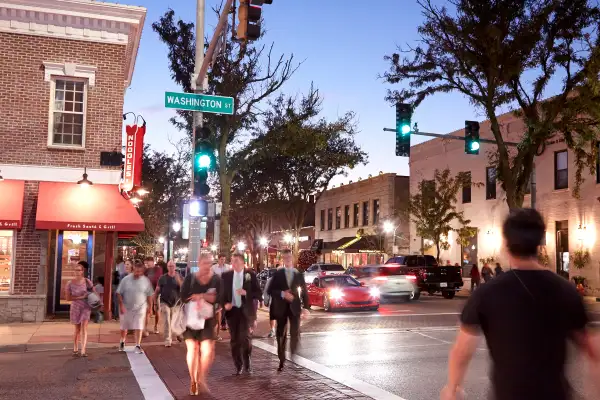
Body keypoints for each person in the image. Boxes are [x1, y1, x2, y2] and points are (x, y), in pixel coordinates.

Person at [441, 208, 600, 400]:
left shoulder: (488, 293)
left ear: (506, 244)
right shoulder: (565, 290)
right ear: (539, 244)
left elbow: (462, 350)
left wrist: (452, 388)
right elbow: (593, 350)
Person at [180, 253, 222, 396]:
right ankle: (193, 381)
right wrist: (193, 299)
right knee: (192, 348)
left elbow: (221, 298)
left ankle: (201, 377)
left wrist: (202, 297)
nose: (207, 266)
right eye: (205, 263)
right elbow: (183, 296)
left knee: (207, 350)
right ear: (199, 263)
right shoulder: (190, 278)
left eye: (210, 263)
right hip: (191, 319)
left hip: (208, 319)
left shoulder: (216, 280)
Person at [267, 249, 310, 372]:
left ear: (292, 258)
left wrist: (306, 308)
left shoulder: (298, 274)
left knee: (295, 333)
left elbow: (304, 292)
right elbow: (271, 290)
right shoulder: (278, 274)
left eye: (289, 257)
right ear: (282, 259)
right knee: (281, 334)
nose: (287, 259)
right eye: (285, 257)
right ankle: (281, 359)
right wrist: (282, 294)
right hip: (281, 308)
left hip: (294, 307)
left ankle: (294, 356)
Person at [221, 253, 262, 375]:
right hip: (232, 312)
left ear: (243, 263)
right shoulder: (226, 276)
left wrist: (246, 293)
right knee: (235, 340)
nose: (234, 264)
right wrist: (225, 304)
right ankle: (238, 365)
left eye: (236, 261)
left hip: (246, 312)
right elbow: (221, 294)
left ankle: (247, 361)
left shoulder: (250, 275)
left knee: (245, 339)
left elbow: (258, 294)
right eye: (232, 261)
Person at [116, 259, 153, 354]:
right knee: (124, 327)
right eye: (137, 271)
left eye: (140, 272)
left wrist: (150, 307)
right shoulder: (126, 279)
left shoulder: (145, 281)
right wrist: (121, 305)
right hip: (126, 306)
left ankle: (137, 345)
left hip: (140, 307)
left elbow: (149, 294)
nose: (138, 273)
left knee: (139, 326)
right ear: (133, 269)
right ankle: (122, 341)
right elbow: (119, 293)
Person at [65, 261, 96, 357]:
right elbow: (68, 298)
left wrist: (92, 296)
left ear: (82, 271)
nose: (77, 272)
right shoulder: (70, 283)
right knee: (77, 329)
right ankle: (75, 347)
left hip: (86, 307)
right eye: (76, 270)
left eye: (79, 270)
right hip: (75, 307)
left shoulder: (87, 281)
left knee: (84, 328)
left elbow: (93, 292)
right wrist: (81, 297)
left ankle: (83, 350)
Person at [155, 260, 184, 347]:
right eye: (169, 266)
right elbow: (157, 290)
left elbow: (183, 289)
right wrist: (155, 303)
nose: (171, 268)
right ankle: (168, 340)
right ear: (167, 267)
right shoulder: (162, 278)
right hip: (165, 302)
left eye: (172, 266)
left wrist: (179, 281)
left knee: (174, 321)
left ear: (175, 267)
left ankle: (178, 333)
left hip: (176, 303)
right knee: (167, 320)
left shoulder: (179, 276)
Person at [211, 254, 231, 334]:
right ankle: (219, 325)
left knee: (225, 307)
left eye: (224, 259)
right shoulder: (214, 268)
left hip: (226, 290)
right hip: (217, 290)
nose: (223, 261)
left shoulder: (228, 267)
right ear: (218, 259)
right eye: (221, 259)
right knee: (219, 308)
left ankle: (223, 323)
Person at [144, 256, 163, 335]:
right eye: (145, 263)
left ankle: (156, 326)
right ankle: (145, 328)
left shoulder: (158, 269)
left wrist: (155, 293)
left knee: (157, 309)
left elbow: (158, 280)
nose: (146, 264)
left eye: (147, 262)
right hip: (148, 293)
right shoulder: (146, 270)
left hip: (156, 292)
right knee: (148, 310)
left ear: (152, 261)